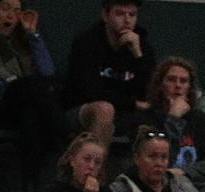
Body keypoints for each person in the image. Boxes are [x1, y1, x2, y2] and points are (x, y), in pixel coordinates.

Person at [63, 0, 156, 148]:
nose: (127, 20)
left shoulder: (142, 46)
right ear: (105, 15)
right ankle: (96, 170)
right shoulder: (87, 42)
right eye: (120, 14)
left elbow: (152, 90)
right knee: (105, 109)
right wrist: (133, 104)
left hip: (126, 113)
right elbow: (89, 91)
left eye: (132, 15)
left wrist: (138, 55)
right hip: (83, 110)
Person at [0, 0, 60, 186]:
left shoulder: (25, 43)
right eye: (5, 9)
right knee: (30, 85)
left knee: (31, 116)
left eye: (17, 11)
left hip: (24, 106)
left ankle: (30, 184)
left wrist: (32, 33)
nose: (11, 15)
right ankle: (62, 134)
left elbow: (47, 71)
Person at [146, 57, 205, 189]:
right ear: (160, 85)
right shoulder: (147, 118)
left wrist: (186, 172)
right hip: (162, 186)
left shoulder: (199, 118)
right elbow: (161, 159)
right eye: (171, 79)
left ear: (189, 88)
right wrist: (173, 117)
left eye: (183, 81)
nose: (178, 85)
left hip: (197, 183)